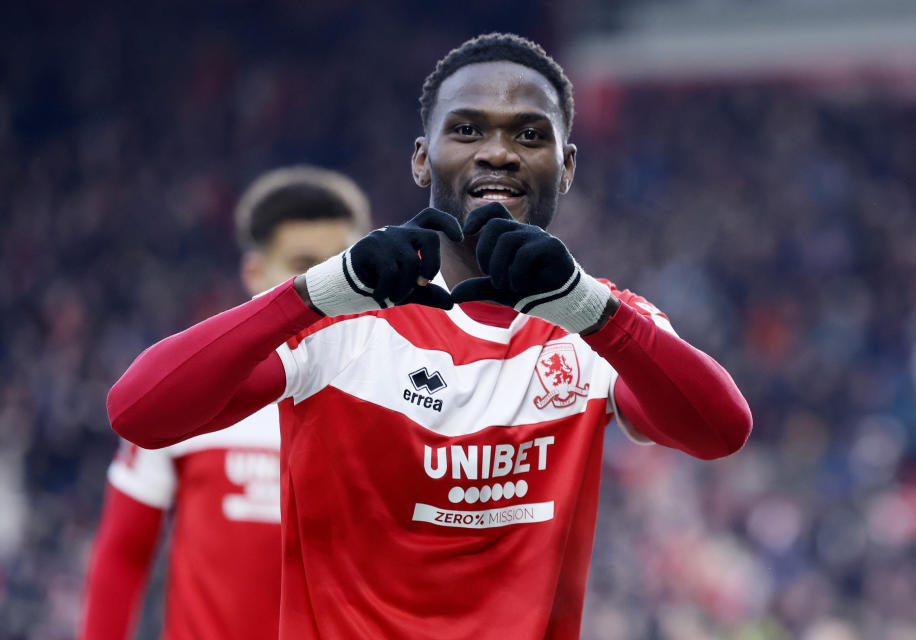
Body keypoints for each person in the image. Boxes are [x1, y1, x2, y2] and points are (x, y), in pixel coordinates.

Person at [107, 33, 752, 639]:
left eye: (530, 134)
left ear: (568, 165)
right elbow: (137, 410)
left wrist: (586, 306)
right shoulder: (342, 322)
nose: (498, 152)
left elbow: (720, 430)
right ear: (422, 158)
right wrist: (315, 293)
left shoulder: (599, 327)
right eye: (467, 129)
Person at [79, 166, 370, 640]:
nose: (327, 286)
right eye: (305, 265)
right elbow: (124, 553)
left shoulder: (396, 391)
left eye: (341, 266)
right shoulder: (189, 397)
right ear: (254, 271)